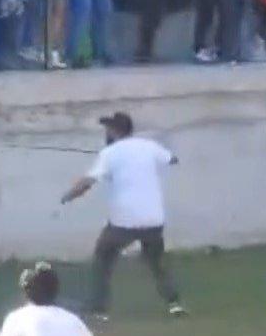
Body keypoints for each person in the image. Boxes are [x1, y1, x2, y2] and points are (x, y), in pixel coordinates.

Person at [60, 112, 188, 320]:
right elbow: (172, 159)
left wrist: (68, 196)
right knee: (157, 262)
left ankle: (100, 308)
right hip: (153, 220)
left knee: (103, 257)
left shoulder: (109, 154)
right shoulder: (148, 146)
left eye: (108, 128)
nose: (106, 132)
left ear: (114, 131)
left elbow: (87, 183)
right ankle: (174, 303)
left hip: (124, 222)